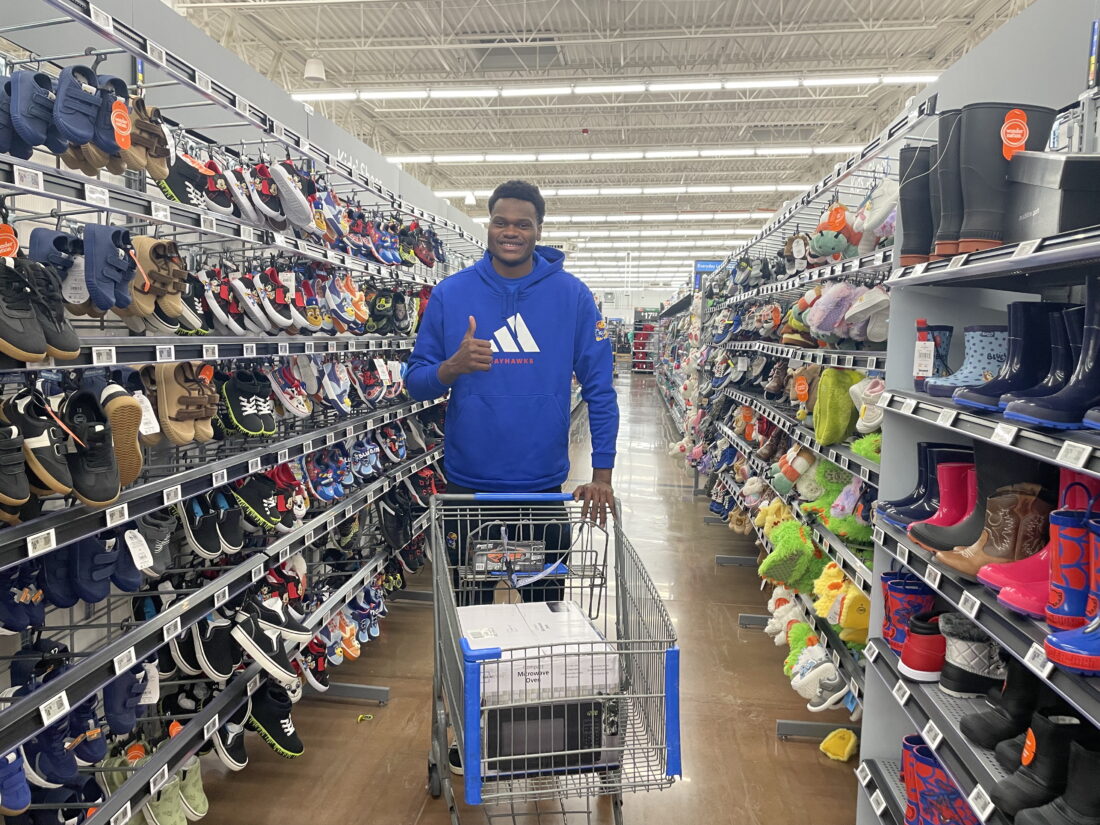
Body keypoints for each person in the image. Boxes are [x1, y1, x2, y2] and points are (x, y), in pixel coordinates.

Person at [407, 179, 619, 774]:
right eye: (501, 221)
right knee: (469, 622)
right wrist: (451, 367)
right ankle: (467, 728)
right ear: (489, 225)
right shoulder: (451, 294)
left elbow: (601, 389)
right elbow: (415, 380)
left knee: (545, 622)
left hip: (541, 494)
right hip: (468, 493)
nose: (510, 231)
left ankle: (535, 728)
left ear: (538, 230)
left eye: (522, 223)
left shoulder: (573, 297)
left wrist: (602, 473)